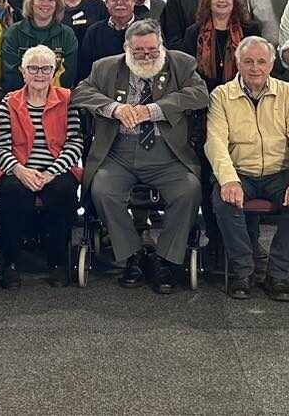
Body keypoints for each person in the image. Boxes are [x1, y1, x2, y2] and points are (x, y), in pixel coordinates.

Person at [73, 19, 209, 294]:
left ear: (161, 45)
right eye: (139, 52)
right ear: (126, 48)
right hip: (119, 152)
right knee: (102, 190)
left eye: (152, 50)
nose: (146, 56)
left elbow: (200, 95)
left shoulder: (181, 64)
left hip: (167, 153)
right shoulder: (106, 67)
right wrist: (113, 108)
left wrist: (155, 110)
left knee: (189, 189)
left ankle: (165, 259)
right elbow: (81, 93)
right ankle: (131, 254)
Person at [205, 36, 289, 301]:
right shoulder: (221, 95)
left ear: (271, 64)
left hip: (279, 173)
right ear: (238, 64)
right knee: (223, 201)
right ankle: (244, 271)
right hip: (240, 173)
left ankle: (278, 273)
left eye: (261, 61)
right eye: (248, 61)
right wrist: (229, 180)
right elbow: (215, 141)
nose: (255, 67)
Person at [0, 44, 84, 289]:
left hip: (56, 169)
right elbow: (0, 147)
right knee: (11, 191)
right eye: (33, 68)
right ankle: (9, 263)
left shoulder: (67, 99)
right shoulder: (9, 102)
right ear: (23, 72)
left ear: (54, 71)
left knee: (62, 191)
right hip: (19, 169)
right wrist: (19, 171)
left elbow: (75, 143)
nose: (40, 74)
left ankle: (57, 263)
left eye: (46, 68)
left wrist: (51, 172)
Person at [178, 0, 261, 91]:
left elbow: (257, 66)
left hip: (242, 95)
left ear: (235, 1)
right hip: (204, 97)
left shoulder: (250, 30)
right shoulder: (193, 32)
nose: (222, 0)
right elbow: (188, 72)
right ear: (208, 0)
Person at [2, 0, 78, 93]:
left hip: (57, 100)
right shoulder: (14, 33)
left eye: (51, 0)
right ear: (31, 2)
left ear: (57, 4)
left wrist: (46, 95)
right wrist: (32, 95)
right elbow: (10, 72)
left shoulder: (67, 35)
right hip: (18, 99)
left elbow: (68, 74)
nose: (45, 4)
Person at [78, 0, 137, 84]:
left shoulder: (148, 31)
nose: (120, 3)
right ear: (106, 2)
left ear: (134, 1)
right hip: (102, 92)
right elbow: (84, 74)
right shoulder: (93, 32)